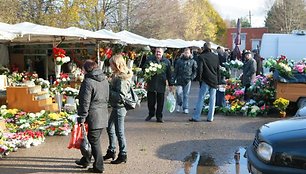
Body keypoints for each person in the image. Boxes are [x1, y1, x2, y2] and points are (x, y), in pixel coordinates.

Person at [75, 59, 109, 173]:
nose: (82, 71)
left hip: (93, 115)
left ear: (86, 69)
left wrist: (82, 116)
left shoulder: (88, 82)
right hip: (103, 114)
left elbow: (85, 102)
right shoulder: (104, 79)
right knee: (91, 139)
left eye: (83, 69)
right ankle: (85, 160)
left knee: (93, 141)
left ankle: (99, 166)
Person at [103, 54, 133, 164]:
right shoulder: (117, 75)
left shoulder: (122, 78)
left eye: (111, 64)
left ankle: (123, 154)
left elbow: (121, 96)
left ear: (117, 65)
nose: (110, 66)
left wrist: (108, 89)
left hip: (120, 107)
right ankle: (111, 150)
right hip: (116, 106)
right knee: (110, 128)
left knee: (119, 131)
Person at [189, 42, 219, 122]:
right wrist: (218, 81)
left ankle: (196, 116)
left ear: (204, 48)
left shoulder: (201, 57)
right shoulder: (216, 57)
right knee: (212, 99)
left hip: (205, 80)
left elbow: (200, 70)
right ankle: (210, 117)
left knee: (201, 98)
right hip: (214, 80)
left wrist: (199, 80)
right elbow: (218, 70)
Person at [144, 47, 173, 123]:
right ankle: (151, 114)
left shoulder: (166, 61)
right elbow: (145, 70)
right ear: (155, 52)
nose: (158, 53)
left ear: (163, 53)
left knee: (160, 102)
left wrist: (170, 84)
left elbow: (169, 74)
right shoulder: (150, 60)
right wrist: (145, 81)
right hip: (151, 83)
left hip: (161, 83)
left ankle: (159, 116)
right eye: (157, 52)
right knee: (151, 101)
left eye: (159, 52)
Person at [173, 47, 197, 114]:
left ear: (190, 53)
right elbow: (175, 71)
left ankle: (185, 107)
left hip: (187, 80)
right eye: (185, 53)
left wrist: (191, 77)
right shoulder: (179, 61)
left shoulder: (193, 61)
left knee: (186, 95)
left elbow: (195, 71)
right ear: (183, 53)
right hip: (179, 79)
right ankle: (179, 104)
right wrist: (173, 79)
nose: (187, 54)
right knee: (178, 93)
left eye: (188, 53)